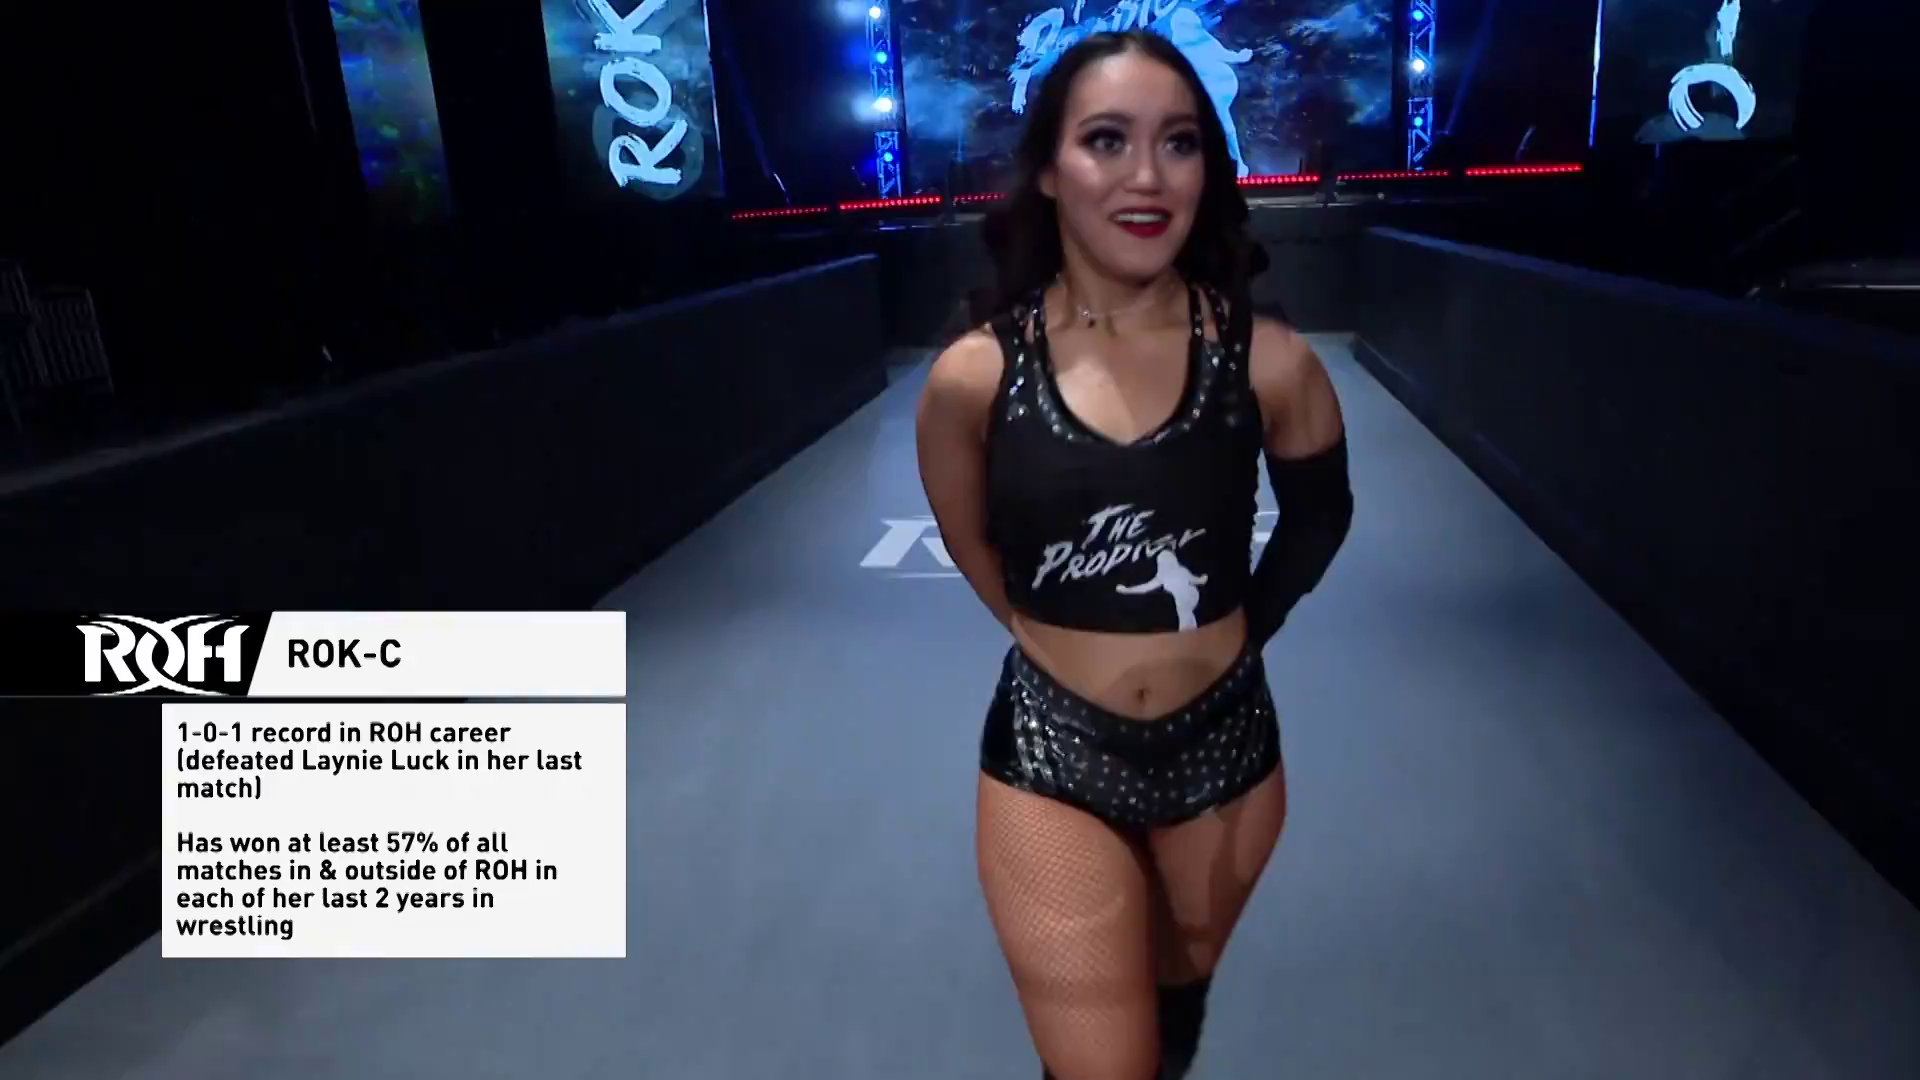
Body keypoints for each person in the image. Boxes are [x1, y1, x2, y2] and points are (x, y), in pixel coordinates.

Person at [914, 29, 1353, 1080]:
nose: (1147, 176)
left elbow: (1319, 519)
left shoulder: (1271, 362)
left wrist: (1236, 633)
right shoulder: (973, 378)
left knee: (1169, 1030)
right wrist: (1046, 635)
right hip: (1054, 750)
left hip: (1226, 751)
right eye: (1107, 139)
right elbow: (970, 540)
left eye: (1180, 142)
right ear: (1048, 170)